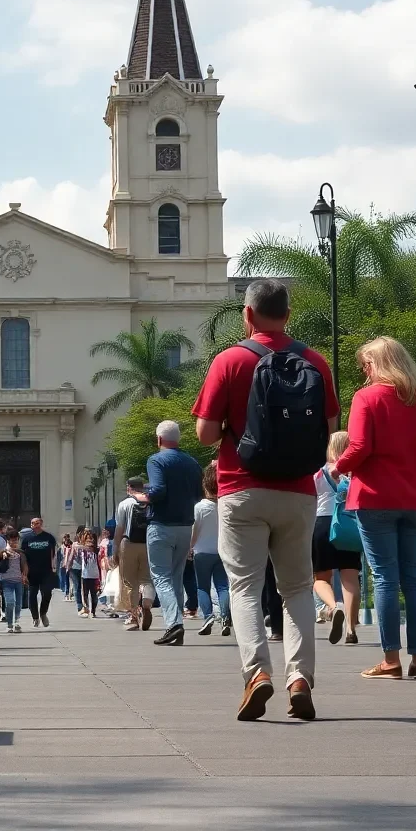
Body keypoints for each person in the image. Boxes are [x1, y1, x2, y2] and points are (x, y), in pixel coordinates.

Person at [193, 279, 339, 722]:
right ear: (288, 315)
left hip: (241, 489)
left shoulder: (230, 360)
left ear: (248, 314)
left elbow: (205, 433)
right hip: (297, 492)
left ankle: (258, 674)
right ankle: (300, 678)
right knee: (296, 586)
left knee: (244, 586)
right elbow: (331, 426)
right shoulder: (315, 361)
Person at [334, 336, 416, 681]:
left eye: (365, 364)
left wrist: (336, 467)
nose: (364, 371)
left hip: (376, 497)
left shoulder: (367, 397)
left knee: (385, 578)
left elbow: (360, 446)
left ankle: (390, 659)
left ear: (376, 364)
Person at [130, 420, 202, 647]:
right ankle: (176, 623)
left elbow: (159, 490)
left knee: (161, 577)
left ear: (159, 439)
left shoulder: (156, 460)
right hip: (185, 526)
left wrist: (143, 496)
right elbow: (199, 493)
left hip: (162, 525)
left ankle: (173, 624)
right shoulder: (192, 462)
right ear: (177, 439)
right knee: (176, 577)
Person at [312, 431, 361, 647]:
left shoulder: (319, 473)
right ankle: (351, 628)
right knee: (350, 576)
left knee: (321, 579)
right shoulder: (356, 472)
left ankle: (333, 606)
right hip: (348, 525)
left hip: (322, 525)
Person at [190, 461, 231, 636]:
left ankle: (208, 617)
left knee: (202, 587)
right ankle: (226, 618)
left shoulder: (199, 507)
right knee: (223, 586)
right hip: (221, 551)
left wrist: (189, 548)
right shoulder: (225, 505)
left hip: (202, 553)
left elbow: (195, 530)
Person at [113, 477, 153, 631]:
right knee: (146, 579)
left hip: (129, 543)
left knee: (130, 582)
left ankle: (134, 616)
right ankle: (147, 603)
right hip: (148, 544)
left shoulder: (125, 504)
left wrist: (115, 549)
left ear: (129, 487)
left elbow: (119, 528)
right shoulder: (150, 501)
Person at [20, 517, 58, 628]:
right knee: (32, 595)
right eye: (32, 523)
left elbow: (53, 553)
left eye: (37, 523)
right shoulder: (27, 538)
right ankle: (35, 617)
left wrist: (54, 568)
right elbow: (23, 555)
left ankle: (43, 613)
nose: (34, 525)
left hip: (46, 571)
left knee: (47, 594)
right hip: (31, 571)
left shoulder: (49, 537)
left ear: (41, 524)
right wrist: (24, 572)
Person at [1, 527, 27, 632]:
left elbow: (24, 565)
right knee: (10, 602)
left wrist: (25, 575)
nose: (14, 542)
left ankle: (17, 622)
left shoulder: (20, 552)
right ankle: (9, 624)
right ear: (8, 540)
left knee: (18, 603)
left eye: (15, 539)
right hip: (6, 580)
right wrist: (3, 554)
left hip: (18, 580)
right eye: (11, 540)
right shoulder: (4, 551)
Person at [76, 529, 101, 617]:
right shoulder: (83, 550)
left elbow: (91, 548)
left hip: (95, 575)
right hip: (85, 575)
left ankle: (93, 611)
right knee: (85, 594)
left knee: (94, 594)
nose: (89, 542)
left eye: (91, 540)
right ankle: (85, 609)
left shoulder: (96, 550)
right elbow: (75, 545)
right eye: (87, 540)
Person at [70, 526, 86, 613]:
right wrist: (68, 566)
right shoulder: (76, 544)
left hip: (83, 568)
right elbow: (71, 556)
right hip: (75, 567)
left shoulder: (84, 544)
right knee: (78, 587)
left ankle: (82, 605)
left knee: (80, 587)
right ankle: (80, 605)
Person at [59, 535, 73, 599]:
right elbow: (59, 557)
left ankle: (68, 592)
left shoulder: (71, 547)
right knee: (63, 578)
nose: (66, 541)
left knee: (68, 578)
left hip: (70, 565)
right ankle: (65, 590)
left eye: (67, 540)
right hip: (63, 564)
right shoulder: (61, 547)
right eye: (65, 540)